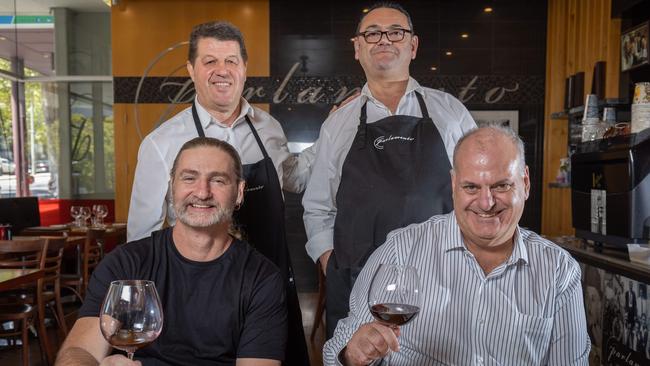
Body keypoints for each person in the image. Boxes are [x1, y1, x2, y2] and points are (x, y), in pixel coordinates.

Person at [323, 126, 591, 365]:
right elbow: (337, 353)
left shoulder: (558, 270)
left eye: (501, 185)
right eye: (471, 187)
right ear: (453, 185)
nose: (486, 203)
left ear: (525, 183)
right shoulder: (401, 250)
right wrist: (353, 355)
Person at [127, 21, 310, 364]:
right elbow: (142, 238)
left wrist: (333, 133)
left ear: (244, 68)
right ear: (191, 70)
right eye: (209, 61)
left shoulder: (269, 128)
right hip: (198, 297)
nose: (221, 70)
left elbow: (295, 180)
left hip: (269, 289)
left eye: (231, 61)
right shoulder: (161, 143)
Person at [302, 1, 476, 337]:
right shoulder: (338, 124)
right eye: (372, 33)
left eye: (395, 32)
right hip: (359, 284)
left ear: (412, 45)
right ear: (357, 48)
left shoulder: (450, 112)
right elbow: (318, 207)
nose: (384, 39)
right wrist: (332, 265)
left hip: (443, 280)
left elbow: (477, 192)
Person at [56, 137, 287, 366]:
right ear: (171, 187)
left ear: (239, 192)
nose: (202, 192)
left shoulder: (262, 278)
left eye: (218, 180)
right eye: (189, 178)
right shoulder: (125, 264)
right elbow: (78, 352)